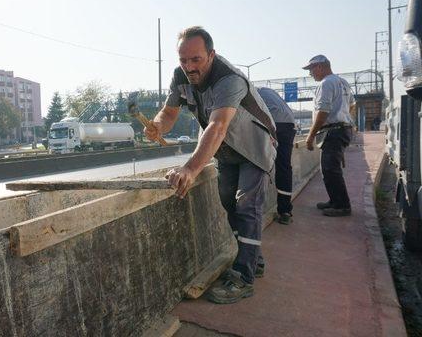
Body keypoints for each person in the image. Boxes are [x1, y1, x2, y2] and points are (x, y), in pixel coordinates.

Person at [144, 26, 277, 304]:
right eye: (183, 60)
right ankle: (253, 260)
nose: (189, 67)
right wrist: (157, 126)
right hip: (227, 151)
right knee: (229, 203)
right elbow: (169, 112)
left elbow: (216, 126)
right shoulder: (180, 76)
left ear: (211, 55)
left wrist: (190, 168)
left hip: (254, 146)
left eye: (196, 60)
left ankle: (243, 276)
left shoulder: (229, 78)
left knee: (246, 205)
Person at [302, 55, 355, 217]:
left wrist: (310, 136)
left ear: (320, 67)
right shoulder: (342, 82)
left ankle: (342, 206)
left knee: (330, 170)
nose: (311, 74)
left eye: (311, 69)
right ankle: (335, 201)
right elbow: (353, 104)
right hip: (342, 129)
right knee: (329, 169)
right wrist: (345, 118)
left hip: (334, 131)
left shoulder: (326, 83)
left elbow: (322, 112)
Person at [257, 87, 296, 225]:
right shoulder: (268, 91)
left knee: (256, 163)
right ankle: (285, 211)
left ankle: (254, 213)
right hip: (289, 124)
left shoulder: (247, 92)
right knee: (284, 167)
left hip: (272, 124)